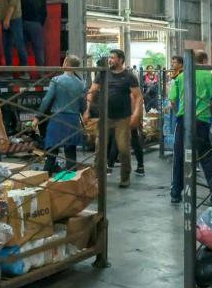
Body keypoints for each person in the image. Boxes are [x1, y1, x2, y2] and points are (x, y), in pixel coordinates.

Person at [168, 50, 212, 204]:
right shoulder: (210, 77)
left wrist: (179, 113)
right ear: (204, 61)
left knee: (179, 156)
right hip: (203, 121)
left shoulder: (181, 77)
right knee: (207, 158)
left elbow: (172, 100)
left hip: (184, 121)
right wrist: (210, 116)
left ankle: (176, 193)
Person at [86, 49, 143, 187]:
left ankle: (125, 178)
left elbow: (138, 96)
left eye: (113, 58)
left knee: (123, 149)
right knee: (100, 149)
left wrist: (136, 114)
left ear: (121, 60)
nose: (110, 60)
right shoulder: (102, 75)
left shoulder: (129, 76)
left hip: (122, 118)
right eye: (110, 57)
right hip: (105, 117)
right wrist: (87, 109)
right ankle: (97, 178)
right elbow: (91, 92)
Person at [34, 55, 87, 175]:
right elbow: (83, 105)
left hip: (58, 119)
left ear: (65, 64)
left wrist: (37, 117)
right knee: (70, 153)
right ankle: (72, 181)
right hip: (73, 120)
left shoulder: (56, 80)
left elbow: (47, 100)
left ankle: (45, 179)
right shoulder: (81, 84)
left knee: (52, 152)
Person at [19, 0, 47, 67]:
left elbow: (17, 9)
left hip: (23, 23)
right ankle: (41, 72)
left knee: (22, 48)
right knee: (38, 49)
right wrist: (40, 23)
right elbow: (44, 11)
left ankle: (24, 72)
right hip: (36, 24)